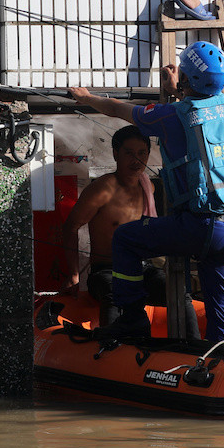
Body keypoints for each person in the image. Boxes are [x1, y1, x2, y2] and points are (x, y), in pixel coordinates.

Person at [66, 41, 224, 346]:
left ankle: (133, 320)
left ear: (188, 78)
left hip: (200, 226)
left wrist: (87, 97)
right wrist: (179, 88)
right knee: (222, 313)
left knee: (126, 238)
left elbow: (116, 109)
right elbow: (203, 103)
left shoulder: (168, 115)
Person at [59, 126, 157, 325]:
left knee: (176, 290)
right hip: (106, 271)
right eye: (128, 153)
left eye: (141, 153)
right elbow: (70, 226)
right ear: (115, 154)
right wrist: (74, 274)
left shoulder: (149, 186)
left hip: (142, 267)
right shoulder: (103, 188)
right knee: (115, 294)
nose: (136, 160)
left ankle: (189, 349)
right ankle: (110, 348)